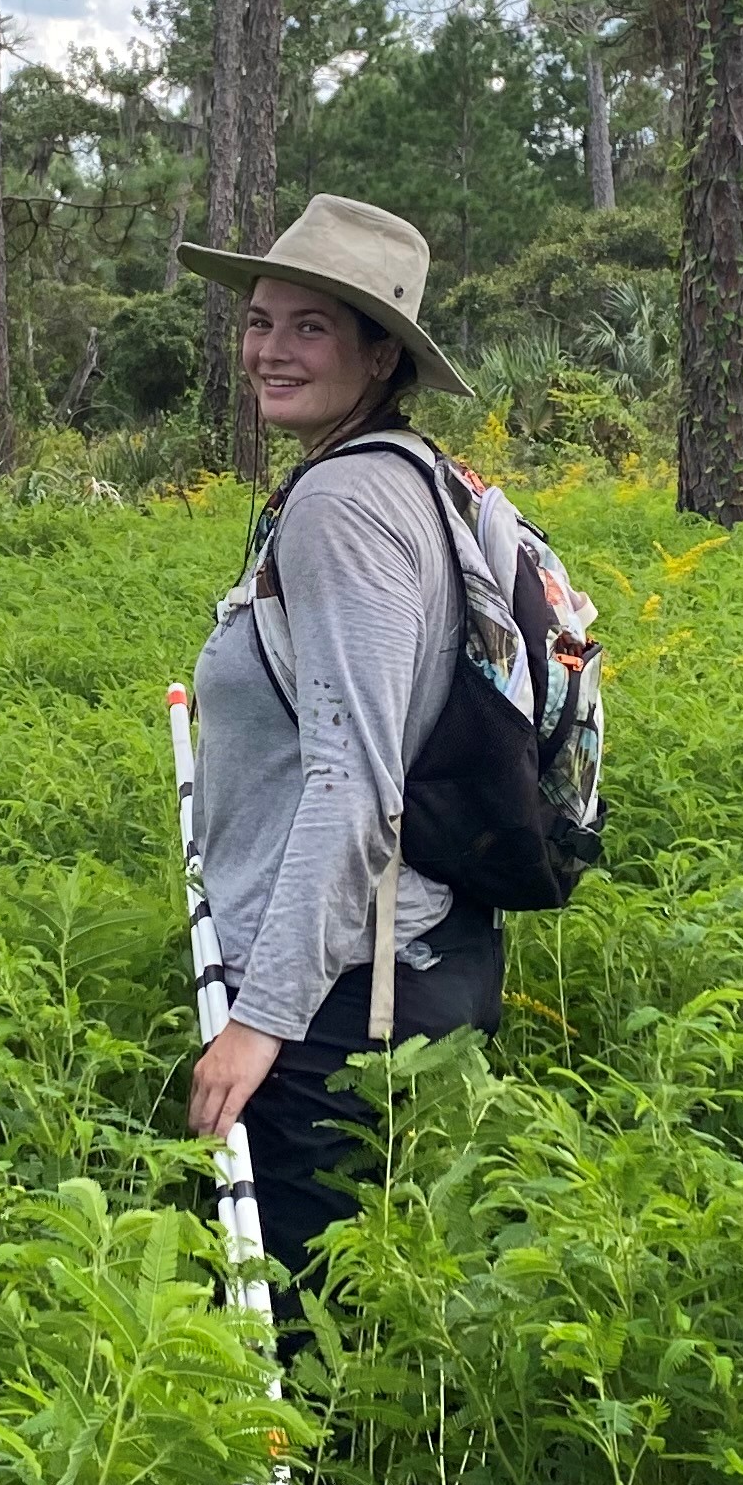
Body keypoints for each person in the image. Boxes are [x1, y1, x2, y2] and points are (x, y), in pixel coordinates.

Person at [176, 196, 501, 1315]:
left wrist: (257, 1026)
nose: (271, 349)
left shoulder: (346, 506)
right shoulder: (410, 476)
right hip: (401, 958)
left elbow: (353, 777)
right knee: (352, 1332)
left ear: (381, 353)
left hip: (339, 998)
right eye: (261, 321)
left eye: (312, 327)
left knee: (277, 1348)